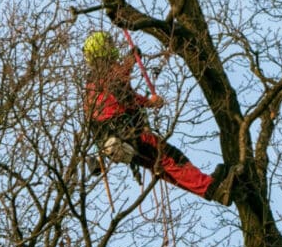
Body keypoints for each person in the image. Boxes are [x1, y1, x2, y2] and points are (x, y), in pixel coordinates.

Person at [82, 31, 235, 205]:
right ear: (105, 49)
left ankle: (214, 191)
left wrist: (130, 61)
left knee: (161, 168)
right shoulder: (108, 73)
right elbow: (125, 96)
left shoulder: (92, 82)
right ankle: (211, 188)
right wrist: (150, 102)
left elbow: (118, 88)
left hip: (113, 142)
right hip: (127, 133)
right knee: (170, 157)